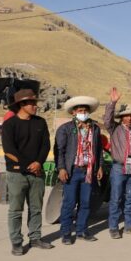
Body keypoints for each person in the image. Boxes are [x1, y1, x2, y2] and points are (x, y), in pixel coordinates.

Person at [1, 89, 52, 256]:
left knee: (36, 208)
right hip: (17, 174)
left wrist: (38, 163)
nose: (35, 106)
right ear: (21, 105)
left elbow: (46, 146)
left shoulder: (40, 122)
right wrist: (28, 165)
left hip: (37, 173)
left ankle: (35, 238)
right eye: (31, 103)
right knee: (16, 210)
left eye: (35, 103)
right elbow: (9, 150)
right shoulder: (10, 124)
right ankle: (16, 243)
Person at [55, 96, 104, 245]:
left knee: (86, 203)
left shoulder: (95, 128)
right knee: (69, 203)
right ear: (73, 113)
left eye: (85, 111)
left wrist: (100, 166)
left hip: (88, 171)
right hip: (72, 170)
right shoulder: (66, 128)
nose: (83, 113)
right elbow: (59, 150)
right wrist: (62, 168)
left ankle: (82, 230)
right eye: (80, 110)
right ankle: (66, 233)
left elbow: (99, 149)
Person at [104, 87, 131, 239]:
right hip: (118, 168)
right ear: (121, 117)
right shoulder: (114, 129)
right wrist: (113, 102)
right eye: (126, 116)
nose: (129, 118)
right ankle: (114, 227)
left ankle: (129, 226)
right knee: (116, 198)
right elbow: (107, 120)